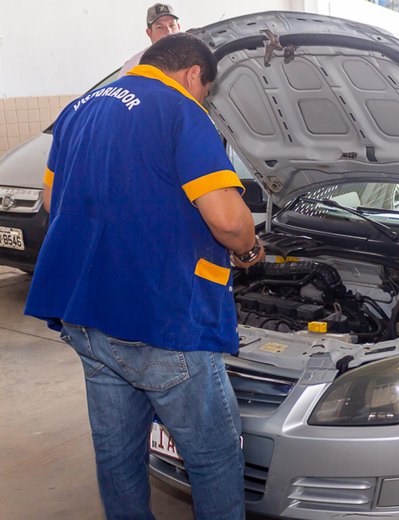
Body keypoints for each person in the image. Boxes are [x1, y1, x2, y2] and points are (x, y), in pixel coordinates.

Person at [25, 33, 263, 519]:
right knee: (215, 457)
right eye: (207, 91)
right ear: (195, 74)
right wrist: (251, 251)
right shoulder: (180, 110)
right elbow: (230, 222)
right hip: (162, 322)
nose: (204, 100)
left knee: (117, 455)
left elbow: (53, 201)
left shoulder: (80, 108)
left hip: (87, 314)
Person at [119, 3, 181, 76]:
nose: (169, 32)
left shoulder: (193, 54)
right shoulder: (134, 66)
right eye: (160, 27)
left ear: (179, 27)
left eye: (172, 25)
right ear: (149, 33)